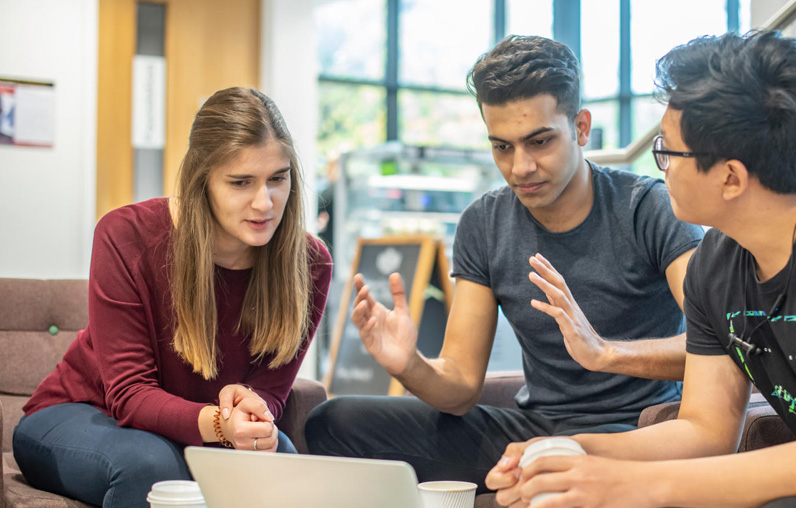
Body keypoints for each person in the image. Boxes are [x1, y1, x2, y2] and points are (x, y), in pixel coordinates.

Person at [486, 30, 796, 508]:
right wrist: (571, 450)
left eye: (668, 152)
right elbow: (705, 431)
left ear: (731, 177)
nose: (662, 167)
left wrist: (631, 485)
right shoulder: (716, 262)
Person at [305, 35, 704, 489]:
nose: (520, 167)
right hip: (534, 431)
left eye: (540, 141)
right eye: (502, 147)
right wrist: (408, 364)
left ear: (581, 128)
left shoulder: (649, 208)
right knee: (334, 422)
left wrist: (605, 352)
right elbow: (459, 387)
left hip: (635, 432)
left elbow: (717, 344)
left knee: (553, 464)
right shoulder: (484, 222)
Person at [12, 87, 332, 508]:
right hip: (81, 413)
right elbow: (129, 394)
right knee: (152, 467)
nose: (264, 202)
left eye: (278, 178)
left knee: (280, 462)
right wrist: (220, 425)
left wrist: (251, 416)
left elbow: (271, 390)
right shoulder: (125, 235)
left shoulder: (309, 264)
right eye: (241, 182)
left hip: (197, 430)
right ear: (203, 180)